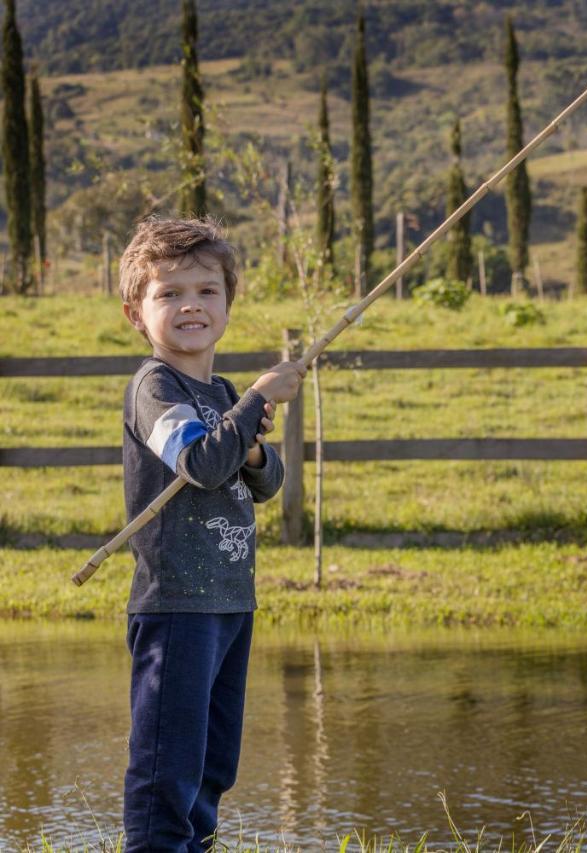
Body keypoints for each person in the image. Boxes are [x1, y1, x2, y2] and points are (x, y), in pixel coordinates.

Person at [116, 216, 304, 851]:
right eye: (168, 293)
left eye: (206, 290)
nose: (190, 304)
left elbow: (265, 480)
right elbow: (199, 464)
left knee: (211, 764)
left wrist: (250, 443)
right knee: (167, 765)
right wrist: (253, 403)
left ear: (228, 302)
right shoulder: (155, 387)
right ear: (136, 312)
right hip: (176, 605)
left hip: (228, 600)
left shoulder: (217, 392)